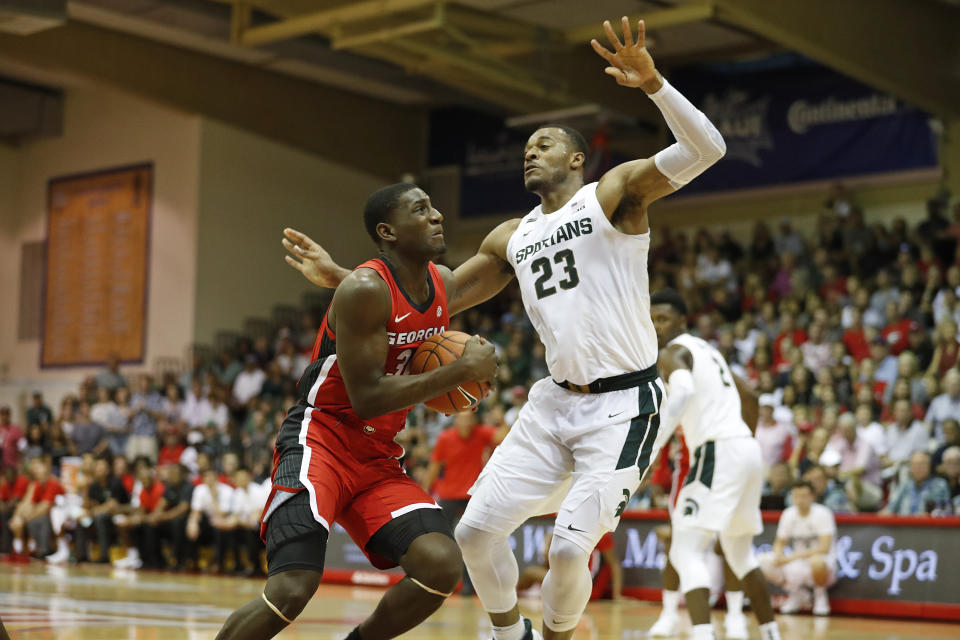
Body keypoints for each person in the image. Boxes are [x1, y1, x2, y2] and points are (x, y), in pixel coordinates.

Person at [283, 15, 726, 640]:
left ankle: (556, 634)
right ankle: (507, 631)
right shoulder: (511, 236)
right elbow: (441, 296)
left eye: (544, 142)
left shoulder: (612, 194)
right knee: (472, 534)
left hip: (626, 402)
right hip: (554, 403)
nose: (530, 150)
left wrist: (653, 83)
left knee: (571, 551)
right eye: (527, 146)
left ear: (576, 158)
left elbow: (708, 150)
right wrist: (345, 280)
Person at [216, 183, 498, 640]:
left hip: (376, 454)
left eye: (435, 207)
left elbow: (500, 261)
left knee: (441, 565)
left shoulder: (440, 284)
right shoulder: (364, 287)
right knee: (293, 588)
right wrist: (459, 371)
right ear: (387, 231)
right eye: (421, 209)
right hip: (320, 439)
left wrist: (552, 217)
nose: (438, 215)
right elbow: (366, 395)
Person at [647, 289, 780, 640]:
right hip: (747, 450)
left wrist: (653, 448)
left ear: (681, 320)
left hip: (718, 450)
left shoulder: (671, 352)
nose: (656, 326)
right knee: (739, 552)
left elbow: (684, 393)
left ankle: (702, 634)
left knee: (685, 548)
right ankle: (771, 633)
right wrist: (741, 438)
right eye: (652, 319)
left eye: (663, 318)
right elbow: (750, 394)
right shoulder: (709, 350)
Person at [421, 411, 508, 594]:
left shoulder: (481, 433)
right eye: (463, 419)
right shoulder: (445, 438)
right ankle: (435, 579)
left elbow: (505, 436)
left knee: (472, 541)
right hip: (449, 494)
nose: (467, 423)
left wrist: (500, 420)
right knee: (441, 538)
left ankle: (469, 585)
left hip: (472, 495)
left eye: (470, 419)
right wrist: (424, 493)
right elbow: (434, 466)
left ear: (474, 421)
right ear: (456, 421)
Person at [759, 481, 837, 615]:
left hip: (823, 565)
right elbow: (779, 543)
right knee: (762, 561)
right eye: (796, 496)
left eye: (804, 496)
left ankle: (820, 596)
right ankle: (797, 594)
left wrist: (790, 558)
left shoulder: (822, 513)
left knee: (817, 561)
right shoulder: (788, 514)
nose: (800, 500)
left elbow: (824, 548)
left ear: (812, 497)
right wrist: (778, 555)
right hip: (797, 563)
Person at [882, 451, 951, 515]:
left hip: (929, 526)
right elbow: (890, 509)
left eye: (922, 464)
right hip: (903, 526)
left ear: (929, 466)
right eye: (915, 464)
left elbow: (942, 511)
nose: (918, 468)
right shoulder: (905, 485)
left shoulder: (939, 484)